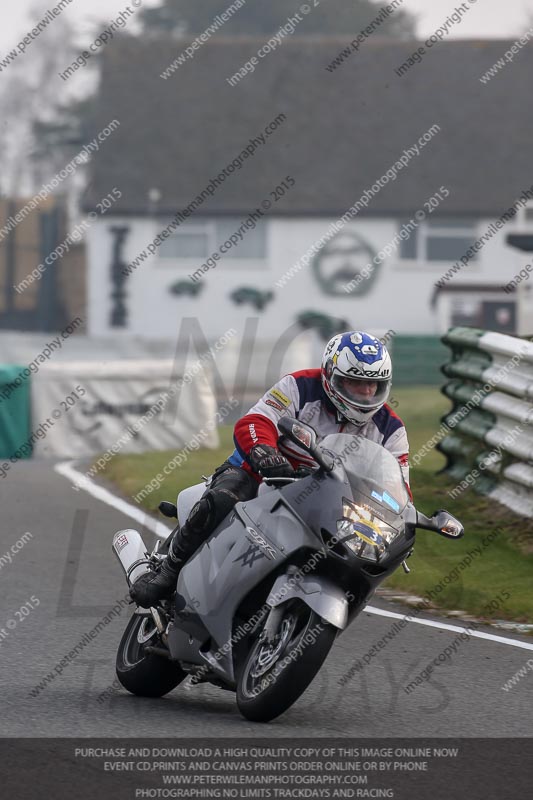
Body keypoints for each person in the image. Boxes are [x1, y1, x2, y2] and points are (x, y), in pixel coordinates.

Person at [130, 330, 410, 608]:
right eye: (354, 383)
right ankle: (167, 573)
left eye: (374, 385)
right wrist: (265, 452)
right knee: (224, 498)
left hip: (328, 498)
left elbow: (398, 483)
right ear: (330, 375)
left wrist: (400, 521)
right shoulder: (299, 386)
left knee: (355, 558)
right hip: (263, 473)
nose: (366, 393)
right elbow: (256, 419)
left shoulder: (391, 428)